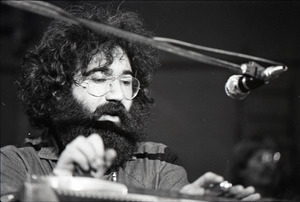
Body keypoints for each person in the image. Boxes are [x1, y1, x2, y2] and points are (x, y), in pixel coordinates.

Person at [1, 3, 260, 201]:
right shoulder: (15, 164)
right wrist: (60, 186)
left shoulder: (161, 164)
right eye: (100, 78)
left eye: (126, 81)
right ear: (58, 90)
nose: (117, 95)